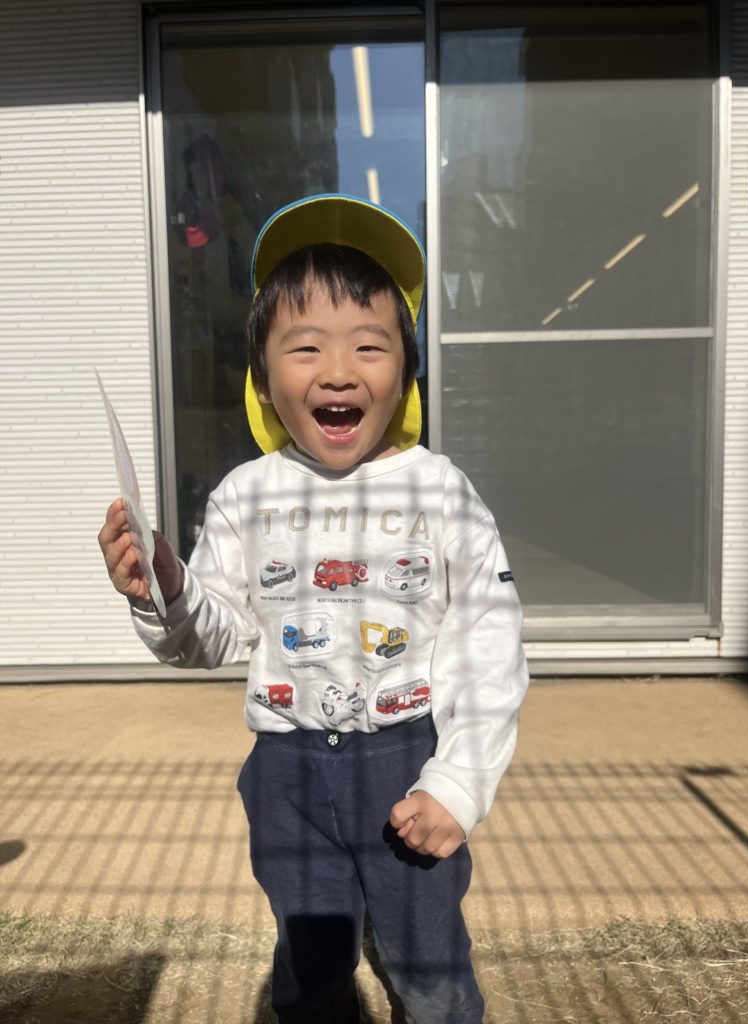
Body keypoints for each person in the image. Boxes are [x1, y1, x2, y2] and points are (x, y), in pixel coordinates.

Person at [98, 193, 529, 1024]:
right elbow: (212, 636)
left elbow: (486, 642)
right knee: (311, 969)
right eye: (305, 347)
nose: (338, 370)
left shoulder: (441, 490)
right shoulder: (244, 497)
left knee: (430, 968)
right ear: (263, 379)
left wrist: (459, 782)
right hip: (287, 772)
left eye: (369, 345)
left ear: (404, 373)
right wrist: (167, 590)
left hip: (407, 761)